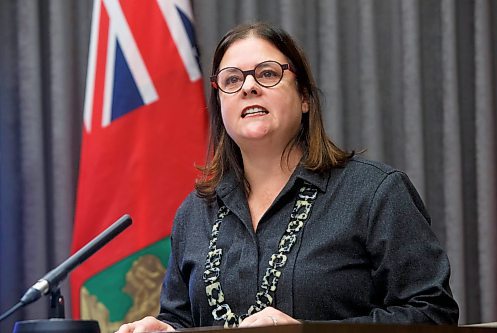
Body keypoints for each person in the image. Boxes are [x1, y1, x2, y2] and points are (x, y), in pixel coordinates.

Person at [117, 22, 459, 332]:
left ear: (305, 98)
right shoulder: (194, 213)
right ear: (219, 102)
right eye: (232, 79)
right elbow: (182, 318)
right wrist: (166, 329)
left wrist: (305, 331)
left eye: (267, 74)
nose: (248, 87)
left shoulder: (375, 193)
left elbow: (433, 313)